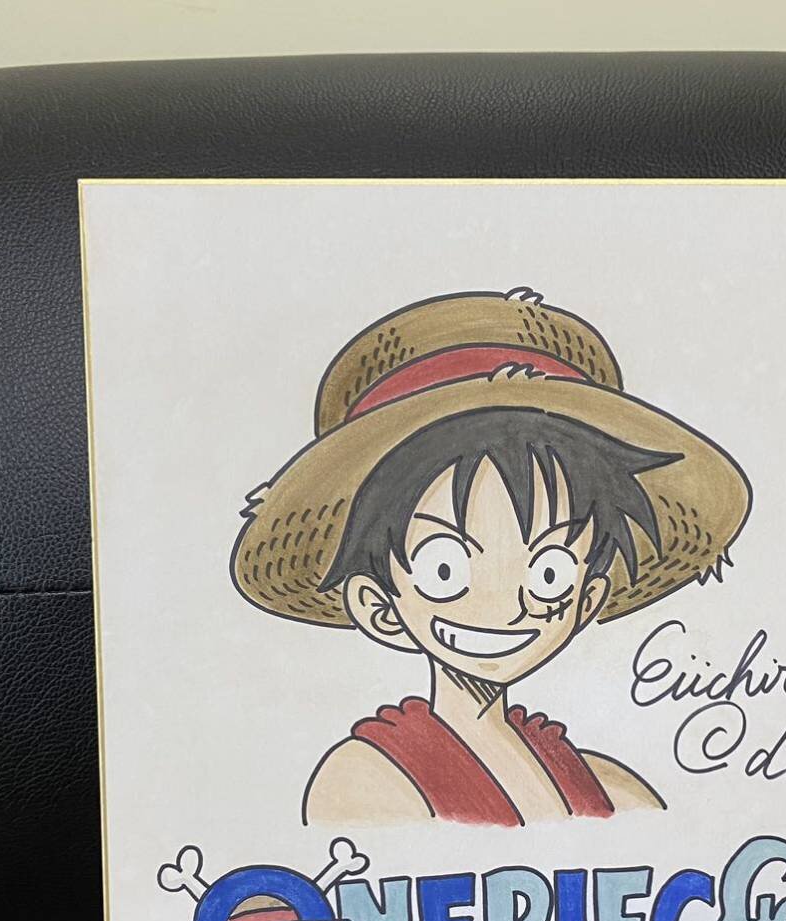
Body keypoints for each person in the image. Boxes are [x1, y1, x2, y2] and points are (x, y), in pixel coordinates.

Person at [230, 288, 751, 826]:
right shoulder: (367, 783)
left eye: (548, 572)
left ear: (588, 598)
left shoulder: (614, 792)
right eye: (445, 570)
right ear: (378, 607)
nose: (504, 605)